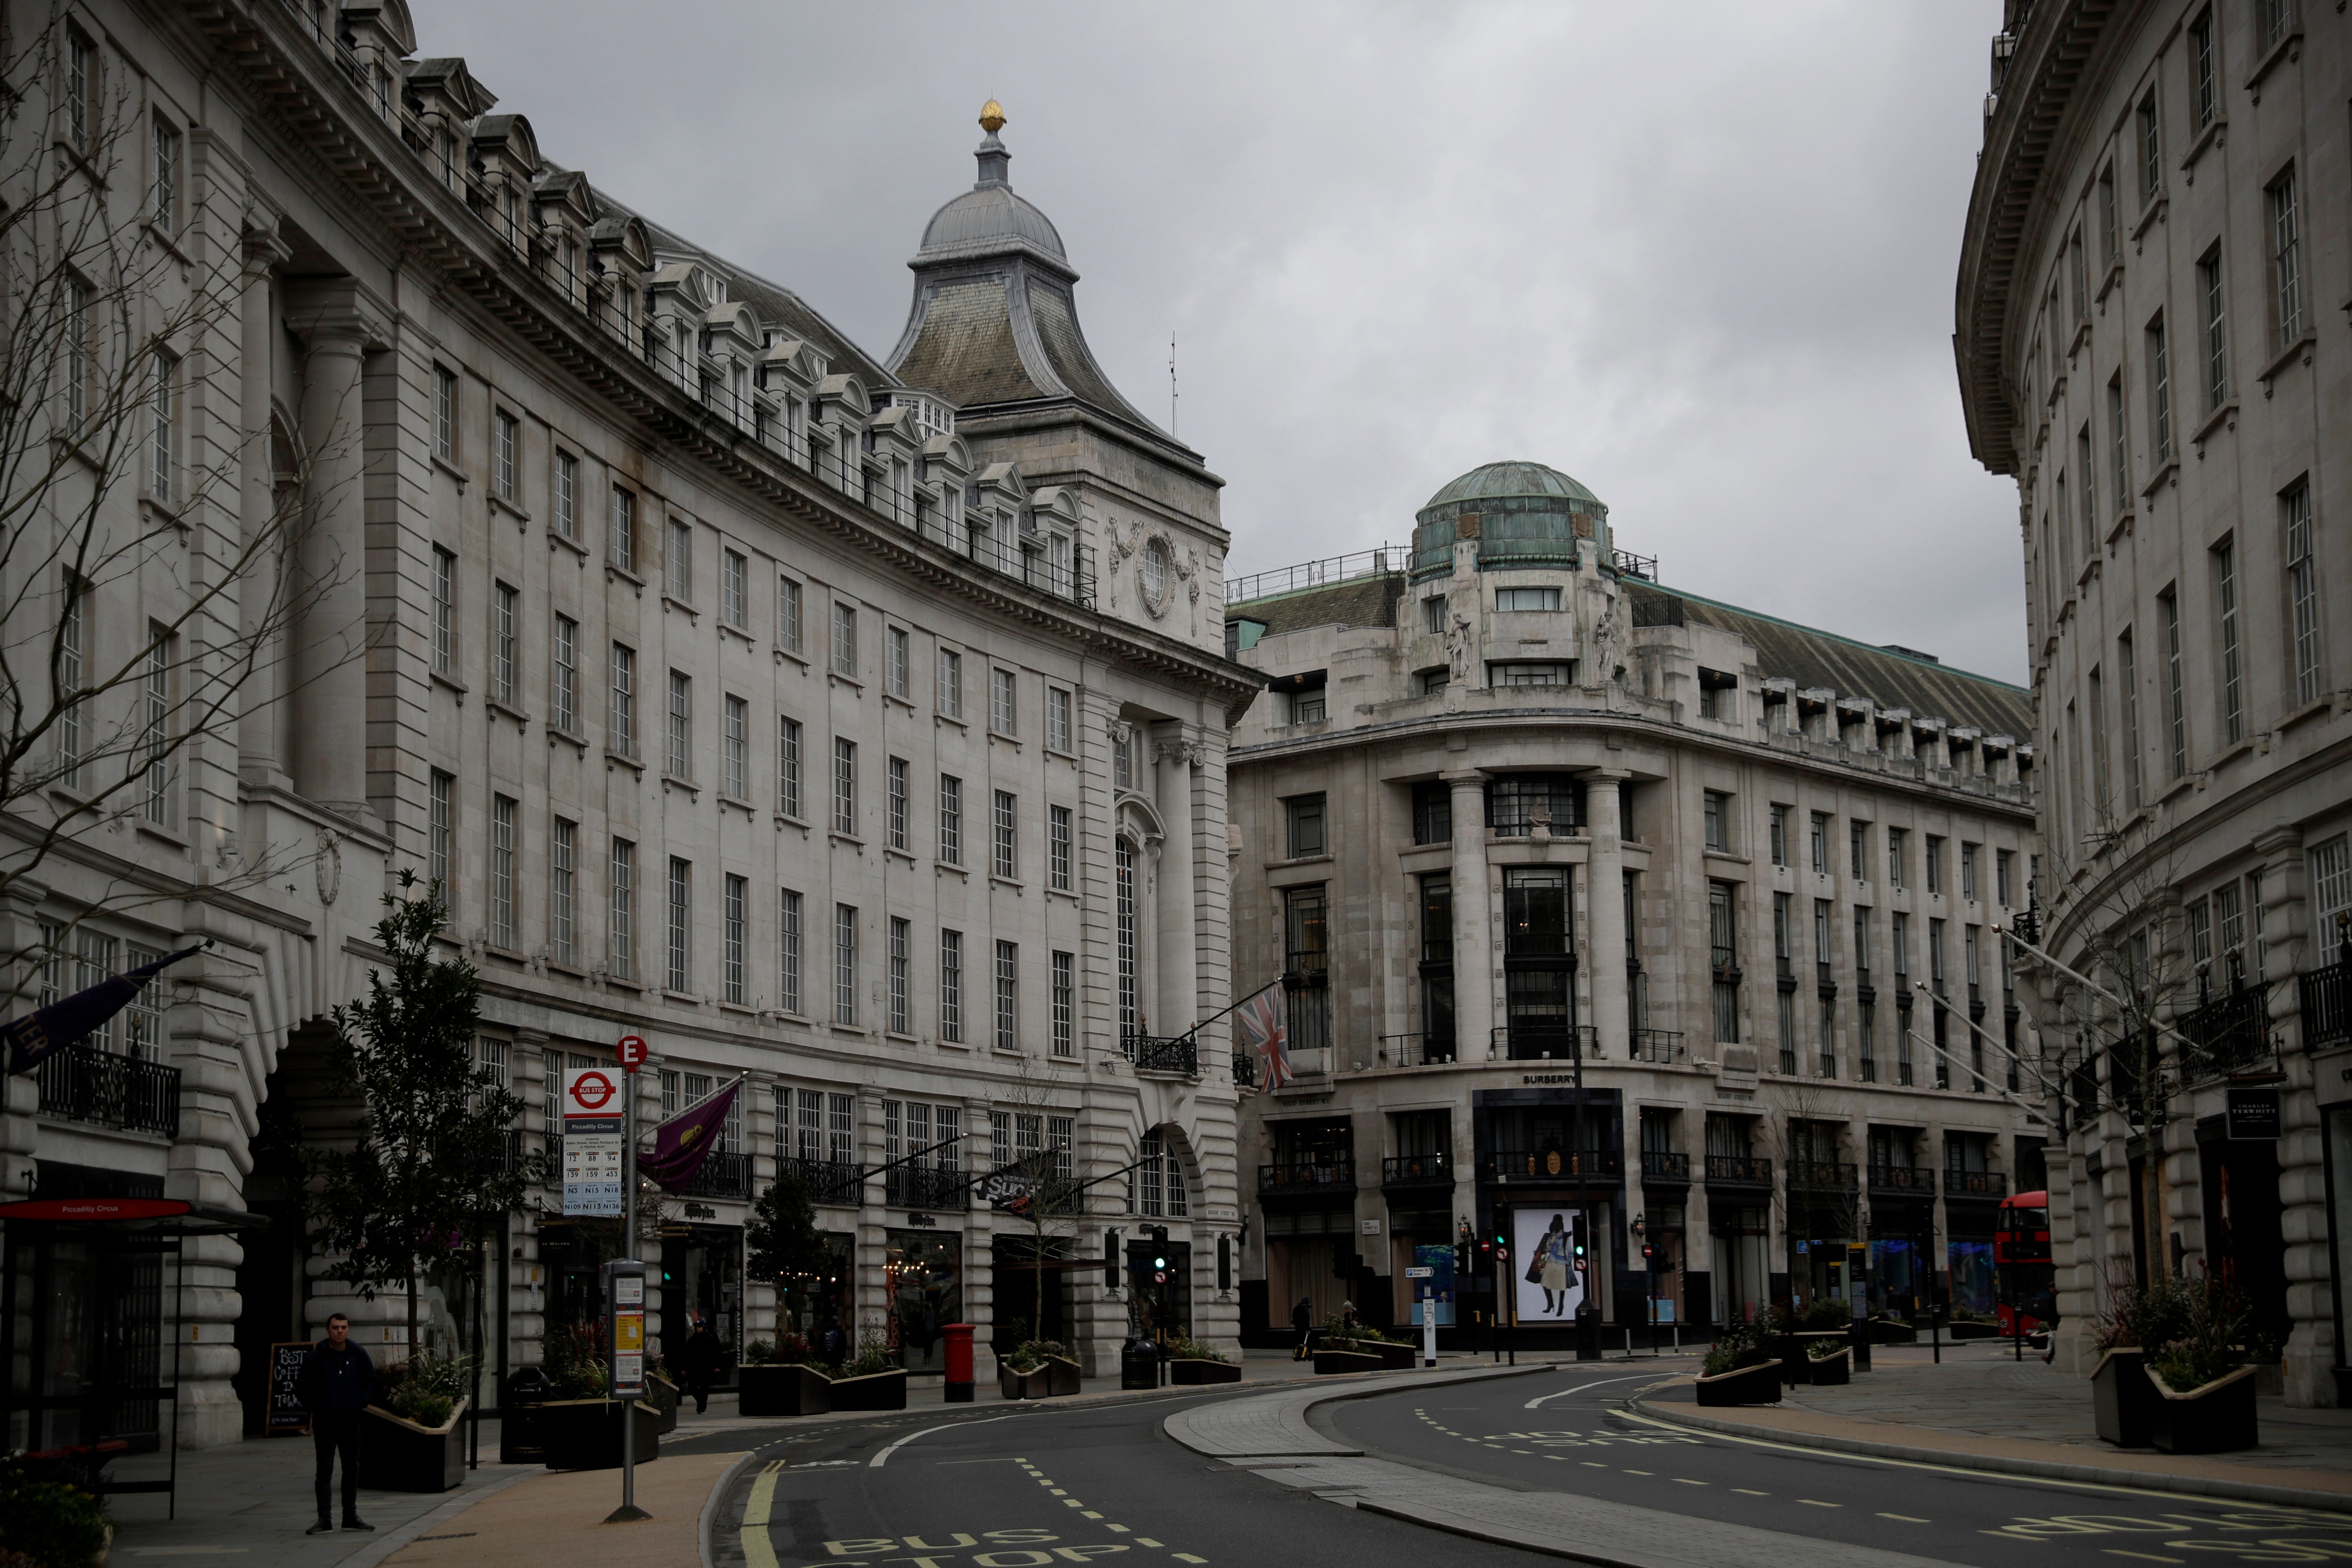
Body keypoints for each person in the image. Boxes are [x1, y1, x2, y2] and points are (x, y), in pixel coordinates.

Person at [295, 1312, 376, 1535]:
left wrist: (361, 1402)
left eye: (343, 1327)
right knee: (324, 1471)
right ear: (328, 1330)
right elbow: (303, 1386)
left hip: (350, 1420)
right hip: (326, 1421)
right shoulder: (317, 1356)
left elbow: (371, 1380)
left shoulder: (357, 1353)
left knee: (352, 1468)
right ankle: (324, 1518)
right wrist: (319, 1406)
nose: (339, 1331)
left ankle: (350, 1516)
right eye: (335, 1328)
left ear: (348, 1330)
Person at [678, 1316, 724, 1414]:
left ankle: (702, 1408)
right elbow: (686, 1354)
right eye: (696, 1327)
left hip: (706, 1368)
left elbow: (717, 1353)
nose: (698, 1329)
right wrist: (684, 1368)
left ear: (704, 1327)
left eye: (700, 1327)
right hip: (693, 1368)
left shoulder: (711, 1338)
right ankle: (701, 1402)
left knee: (704, 1389)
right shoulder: (692, 1340)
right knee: (692, 1388)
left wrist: (717, 1366)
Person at [1291, 1295, 1314, 1360]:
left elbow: (1294, 1318)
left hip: (1298, 1328)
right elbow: (1307, 1319)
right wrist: (1308, 1328)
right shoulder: (1305, 1309)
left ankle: (1296, 1355)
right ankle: (1309, 1356)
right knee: (1308, 1342)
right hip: (1305, 1328)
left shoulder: (1296, 1308)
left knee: (1298, 1342)